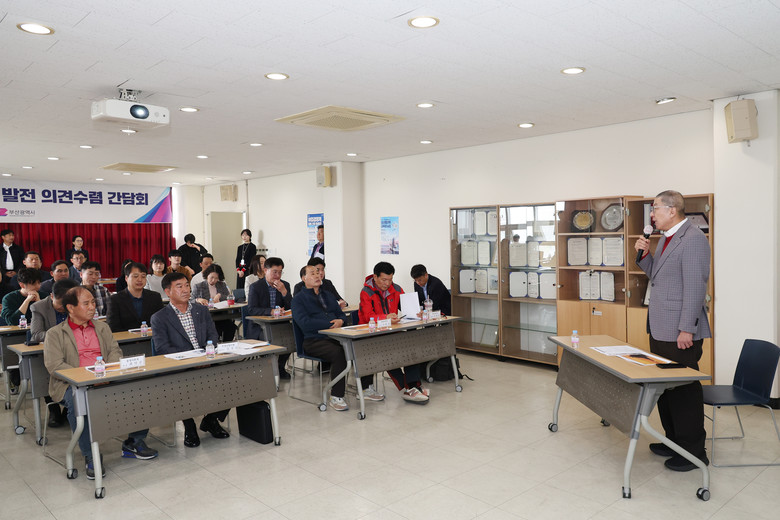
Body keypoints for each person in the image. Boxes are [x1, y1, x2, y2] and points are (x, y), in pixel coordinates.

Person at [44, 287, 158, 479]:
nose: (92, 307)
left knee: (139, 389)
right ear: (70, 308)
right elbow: (55, 365)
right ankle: (90, 455)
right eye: (86, 303)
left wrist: (107, 372)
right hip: (72, 384)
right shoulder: (55, 334)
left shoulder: (102, 327)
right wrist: (86, 377)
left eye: (93, 302)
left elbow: (115, 351)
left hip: (106, 377)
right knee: (77, 403)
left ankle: (134, 442)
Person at [634, 190, 711, 472]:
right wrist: (644, 255)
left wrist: (686, 329)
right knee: (665, 389)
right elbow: (658, 276)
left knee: (683, 392)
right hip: (661, 328)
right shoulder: (667, 238)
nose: (652, 214)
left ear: (671, 210)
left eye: (655, 208)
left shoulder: (693, 239)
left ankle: (693, 452)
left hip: (680, 331)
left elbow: (695, 288)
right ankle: (673, 441)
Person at [150, 272, 230, 448]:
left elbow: (213, 336)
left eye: (187, 285)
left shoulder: (201, 310)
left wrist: (206, 356)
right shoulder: (159, 318)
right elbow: (163, 348)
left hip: (205, 360)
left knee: (231, 376)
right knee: (180, 385)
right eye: (179, 286)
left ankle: (211, 420)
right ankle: (189, 425)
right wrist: (193, 359)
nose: (186, 290)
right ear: (168, 292)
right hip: (180, 366)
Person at [292, 265, 383, 411]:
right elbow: (305, 323)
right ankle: (336, 396)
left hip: (337, 336)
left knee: (363, 345)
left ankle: (366, 388)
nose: (317, 275)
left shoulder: (327, 295)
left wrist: (340, 321)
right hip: (314, 340)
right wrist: (329, 324)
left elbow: (341, 315)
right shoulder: (298, 299)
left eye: (318, 272)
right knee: (339, 352)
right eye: (312, 273)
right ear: (304, 278)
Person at [359, 262, 429, 403]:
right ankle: (409, 388)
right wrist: (385, 317)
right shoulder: (366, 292)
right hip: (370, 335)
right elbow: (367, 317)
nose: (387, 283)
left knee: (411, 345)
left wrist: (417, 312)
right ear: (375, 277)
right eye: (384, 280)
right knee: (389, 352)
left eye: (390, 279)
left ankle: (413, 386)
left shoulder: (396, 289)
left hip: (391, 332)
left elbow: (406, 308)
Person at [30, 278, 79, 427]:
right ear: (52, 296)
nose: (64, 308)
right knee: (44, 375)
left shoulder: (77, 304)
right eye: (61, 304)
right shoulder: (39, 307)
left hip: (74, 351)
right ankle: (54, 410)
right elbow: (36, 334)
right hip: (48, 353)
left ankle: (69, 409)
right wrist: (63, 336)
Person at [245, 257, 292, 378]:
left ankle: (280, 367)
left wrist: (284, 292)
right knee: (269, 339)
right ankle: (269, 369)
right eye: (274, 272)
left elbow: (291, 307)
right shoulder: (256, 287)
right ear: (265, 270)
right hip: (260, 326)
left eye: (280, 272)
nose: (278, 276)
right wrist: (270, 311)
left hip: (280, 324)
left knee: (291, 338)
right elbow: (251, 309)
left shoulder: (285, 285)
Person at [106, 262, 164, 333]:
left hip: (151, 337)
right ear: (126, 278)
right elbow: (113, 328)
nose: (140, 280)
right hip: (126, 339)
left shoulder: (155, 297)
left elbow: (162, 322)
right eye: (135, 276)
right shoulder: (114, 300)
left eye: (143, 276)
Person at [192, 264, 235, 341]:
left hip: (221, 313)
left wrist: (219, 295)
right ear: (207, 275)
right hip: (205, 315)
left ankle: (226, 344)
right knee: (214, 327)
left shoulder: (222, 285)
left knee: (231, 326)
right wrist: (198, 300)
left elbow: (228, 297)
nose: (213, 280)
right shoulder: (198, 286)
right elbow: (190, 300)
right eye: (211, 277)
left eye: (216, 278)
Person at [1, 229, 25, 294]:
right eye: (9, 235)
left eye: (13, 235)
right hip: (2, 274)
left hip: (17, 274)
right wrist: (4, 273)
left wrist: (16, 272)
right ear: (3, 237)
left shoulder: (18, 248)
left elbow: (22, 261)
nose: (12, 237)